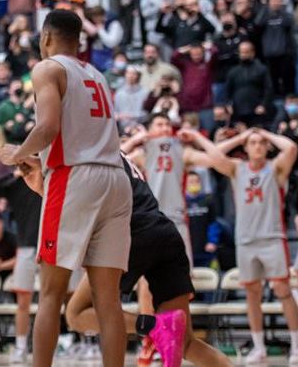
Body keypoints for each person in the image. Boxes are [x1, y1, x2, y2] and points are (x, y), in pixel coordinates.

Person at [0, 9, 131, 367]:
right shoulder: (98, 75)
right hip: (117, 178)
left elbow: (47, 128)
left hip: (75, 177)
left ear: (45, 38)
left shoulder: (47, 69)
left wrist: (17, 153)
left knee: (51, 294)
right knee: (108, 300)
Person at [20, 154, 232, 367]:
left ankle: (154, 325)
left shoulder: (87, 156)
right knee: (184, 342)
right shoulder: (111, 151)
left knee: (77, 313)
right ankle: (165, 329)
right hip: (165, 232)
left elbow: (82, 210)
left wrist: (44, 188)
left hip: (132, 234)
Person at [198, 127, 298, 363]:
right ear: (245, 148)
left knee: (282, 291)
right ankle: (259, 347)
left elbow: (291, 148)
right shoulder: (237, 169)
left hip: (272, 238)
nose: (257, 146)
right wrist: (241, 137)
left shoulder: (276, 168)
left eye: (261, 143)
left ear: (267, 146)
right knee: (252, 294)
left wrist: (265, 133)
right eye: (253, 143)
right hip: (246, 241)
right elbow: (214, 154)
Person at [121, 116, 225, 262]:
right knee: (146, 280)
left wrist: (196, 136)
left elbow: (217, 160)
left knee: (182, 277)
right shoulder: (142, 153)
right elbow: (113, 162)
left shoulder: (182, 151)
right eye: (159, 125)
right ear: (148, 130)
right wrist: (133, 140)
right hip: (149, 219)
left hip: (177, 220)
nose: (165, 128)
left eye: (168, 124)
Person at [0, 168, 41, 364]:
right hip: (25, 248)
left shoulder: (50, 179)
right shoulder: (17, 184)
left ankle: (81, 341)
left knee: (56, 299)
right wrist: (14, 174)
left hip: (52, 246)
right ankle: (20, 347)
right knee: (22, 303)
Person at [225, 41, 273, 125]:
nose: (244, 55)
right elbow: (228, 90)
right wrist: (228, 104)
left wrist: (263, 105)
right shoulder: (233, 71)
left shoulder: (261, 69)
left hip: (256, 110)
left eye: (246, 52)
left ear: (252, 53)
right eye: (242, 52)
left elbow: (268, 89)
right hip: (238, 111)